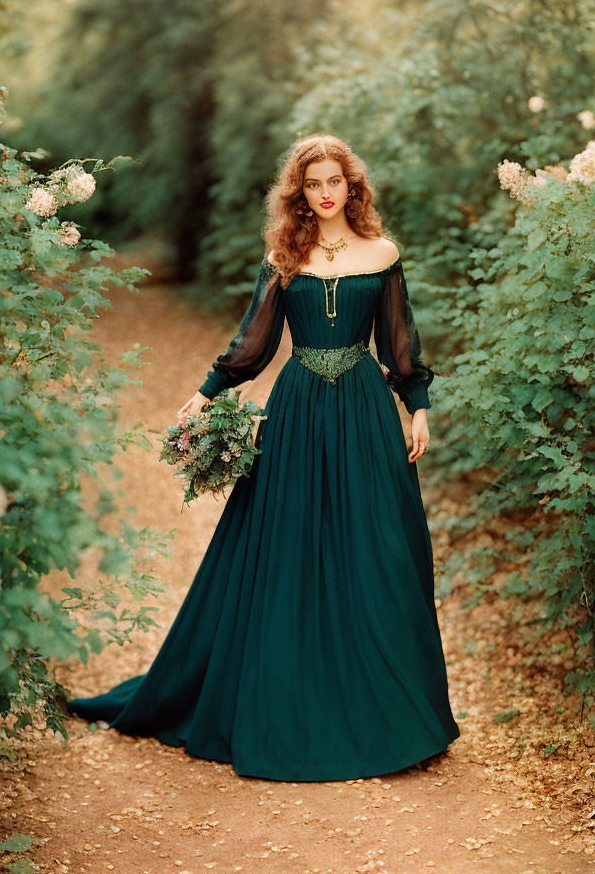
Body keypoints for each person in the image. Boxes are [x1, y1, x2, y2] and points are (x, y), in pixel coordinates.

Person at [67, 133, 461, 781]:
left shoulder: (382, 253)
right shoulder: (284, 255)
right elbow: (254, 340)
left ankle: (392, 706)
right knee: (288, 544)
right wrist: (207, 391)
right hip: (300, 406)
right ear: (300, 193)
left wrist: (417, 406)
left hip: (364, 409)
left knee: (380, 547)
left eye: (336, 180)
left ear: (352, 187)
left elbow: (398, 343)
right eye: (314, 183)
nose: (327, 191)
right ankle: (285, 689)